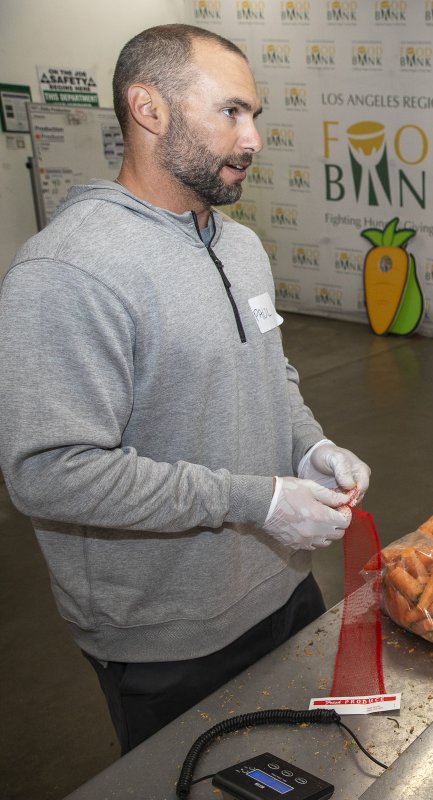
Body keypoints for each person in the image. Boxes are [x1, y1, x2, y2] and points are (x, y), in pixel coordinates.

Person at [0, 24, 371, 753]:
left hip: (282, 587)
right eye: (231, 111)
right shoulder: (68, 272)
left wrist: (309, 446)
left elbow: (270, 373)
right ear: (149, 110)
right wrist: (256, 500)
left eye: (255, 114)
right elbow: (49, 474)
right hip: (167, 639)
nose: (254, 137)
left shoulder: (239, 244)